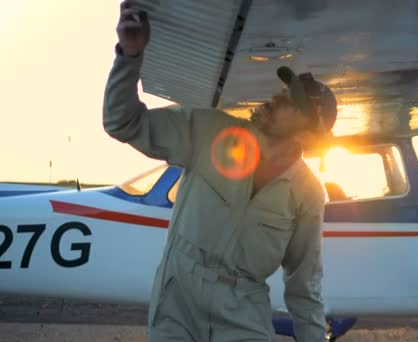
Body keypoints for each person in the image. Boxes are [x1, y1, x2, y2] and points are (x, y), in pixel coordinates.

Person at [103, 2, 338, 341]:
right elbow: (122, 122)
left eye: (291, 101)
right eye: (284, 91)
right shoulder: (210, 130)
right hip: (177, 299)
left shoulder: (308, 194)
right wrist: (129, 55)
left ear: (309, 131)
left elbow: (304, 286)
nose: (276, 98)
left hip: (243, 311)